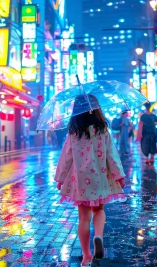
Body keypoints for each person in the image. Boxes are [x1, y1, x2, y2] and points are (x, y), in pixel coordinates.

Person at [55, 95, 126, 267]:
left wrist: (60, 178)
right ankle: (99, 236)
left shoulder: (74, 133)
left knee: (83, 218)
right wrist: (119, 175)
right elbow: (111, 155)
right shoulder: (102, 131)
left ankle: (86, 255)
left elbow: (66, 157)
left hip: (80, 180)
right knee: (99, 210)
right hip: (100, 177)